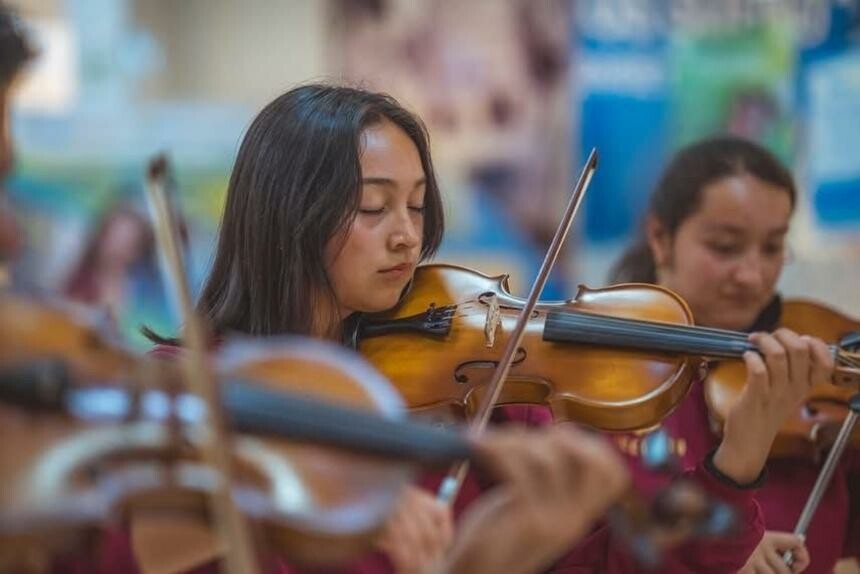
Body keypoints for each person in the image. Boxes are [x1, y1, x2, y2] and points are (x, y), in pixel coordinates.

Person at [164, 84, 832, 573]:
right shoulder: (191, 388)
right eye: (373, 207)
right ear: (288, 212)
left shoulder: (478, 396)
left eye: (417, 207)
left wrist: (736, 458)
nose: (408, 236)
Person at [610, 135, 858, 574]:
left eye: (773, 247)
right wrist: (720, 552)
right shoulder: (604, 381)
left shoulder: (815, 380)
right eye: (725, 247)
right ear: (660, 238)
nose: (752, 276)